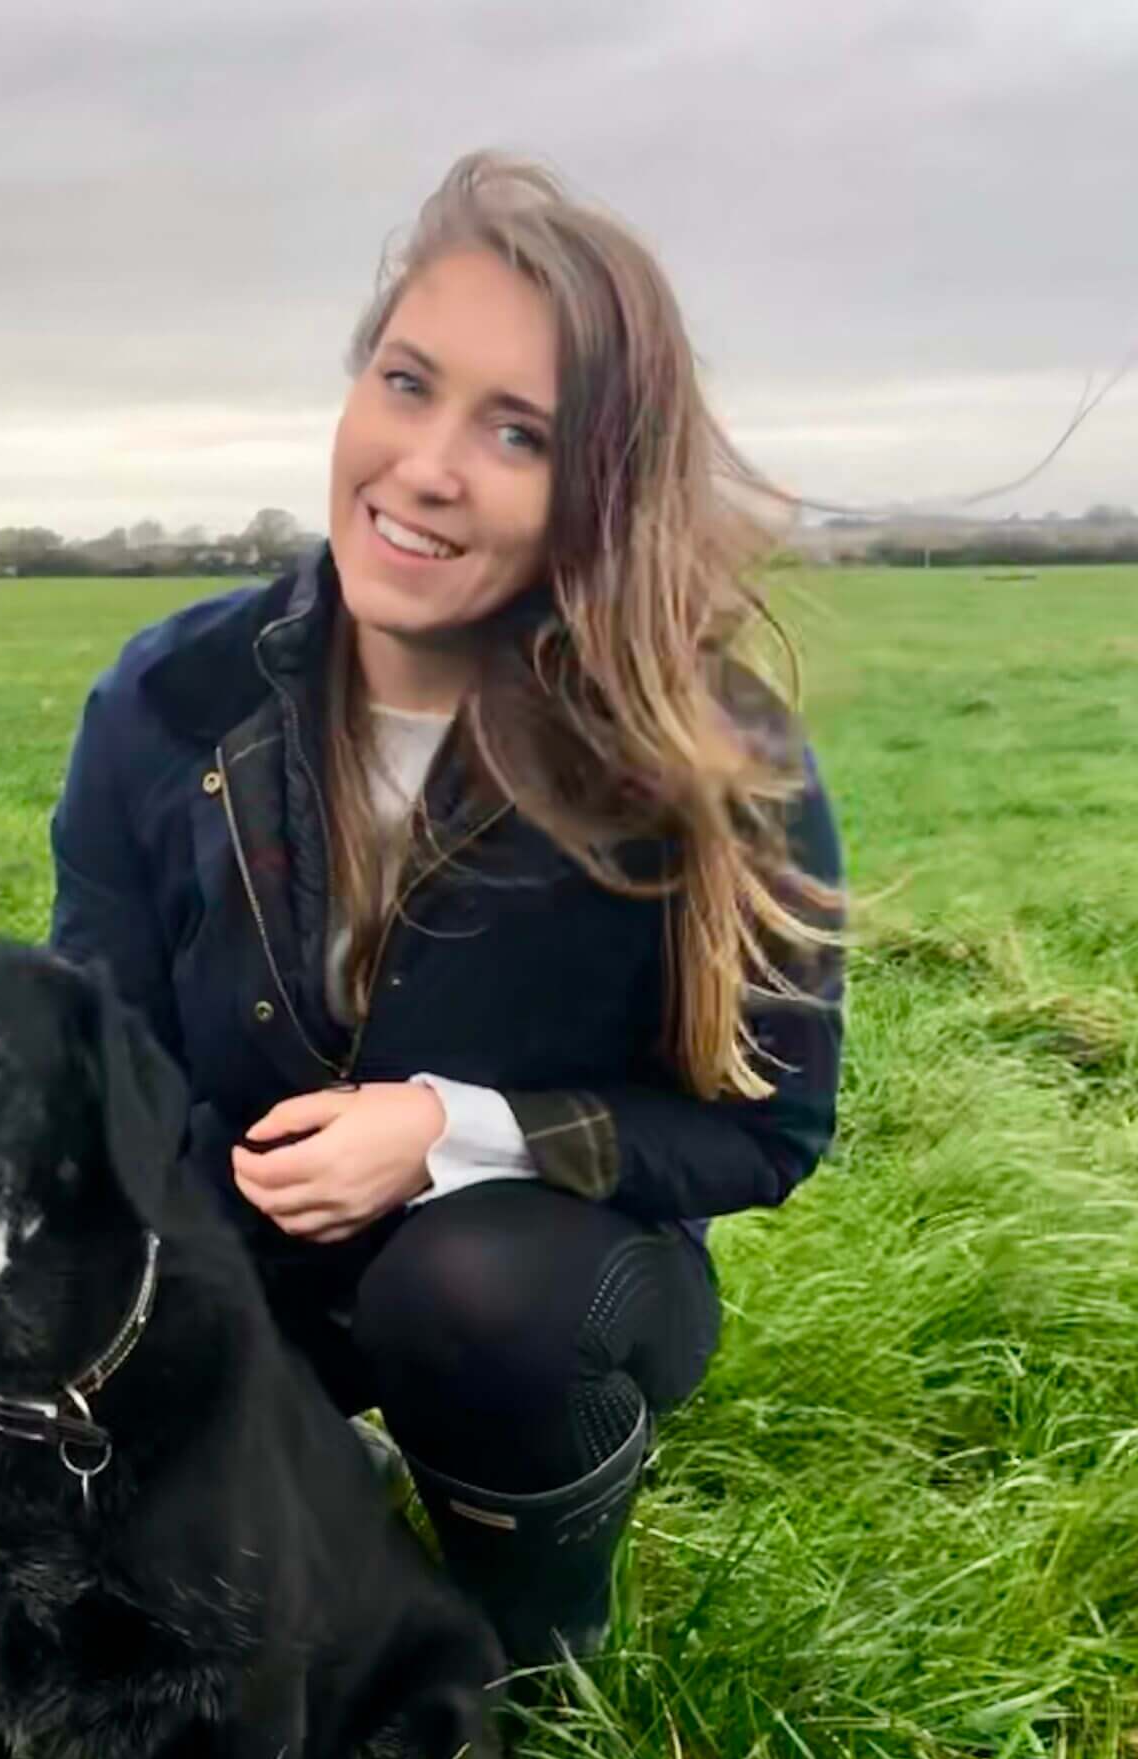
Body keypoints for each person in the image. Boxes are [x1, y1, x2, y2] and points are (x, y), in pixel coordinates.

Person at [47, 151, 845, 1678]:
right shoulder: (167, 699)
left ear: (596, 489)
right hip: (241, 1243)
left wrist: (448, 1131)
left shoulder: (700, 755)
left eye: (516, 432)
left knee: (474, 1294)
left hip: (541, 1275)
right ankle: (315, 1496)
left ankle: (529, 1642)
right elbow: (105, 1052)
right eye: (408, 384)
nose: (426, 466)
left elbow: (771, 1129)